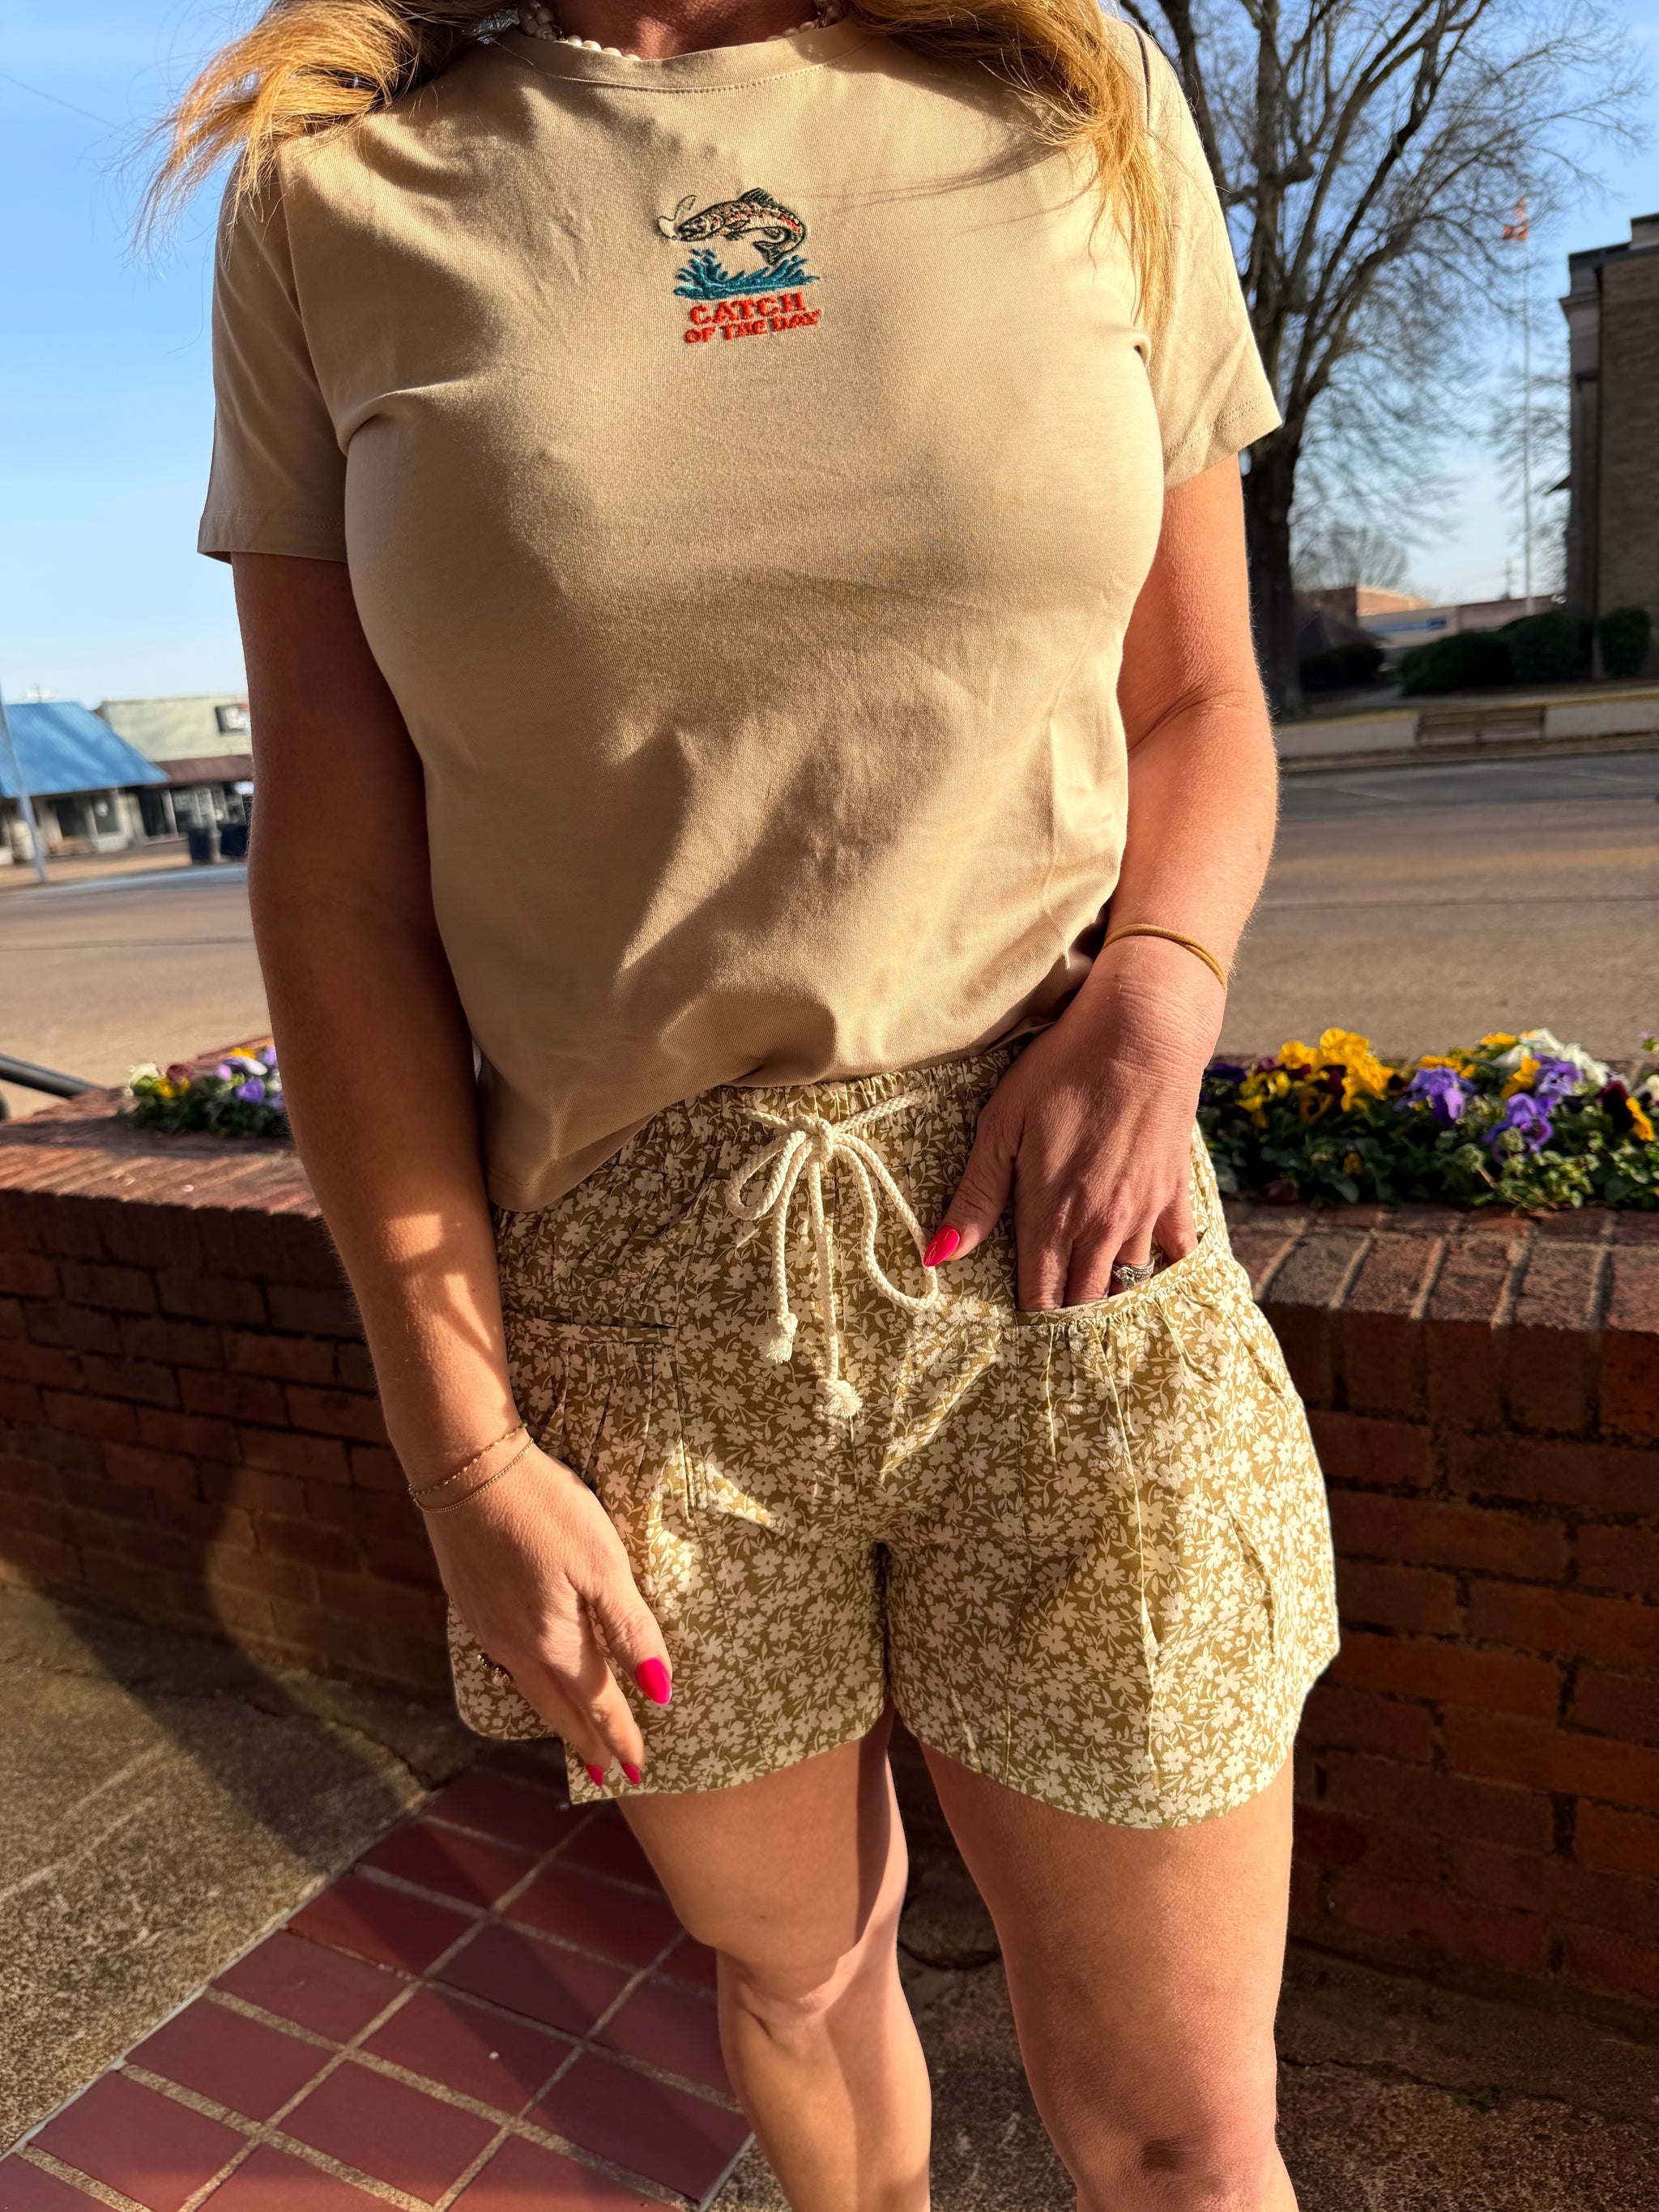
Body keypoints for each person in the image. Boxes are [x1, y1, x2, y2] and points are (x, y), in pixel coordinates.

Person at [159, 0, 1338, 2202]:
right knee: (801, 1971)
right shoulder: (331, 193)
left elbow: (1195, 695)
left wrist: (1163, 990)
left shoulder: (1076, 90)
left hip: (1066, 1258)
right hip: (634, 1318)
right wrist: (461, 1452)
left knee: (1189, 2135)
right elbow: (334, 885)